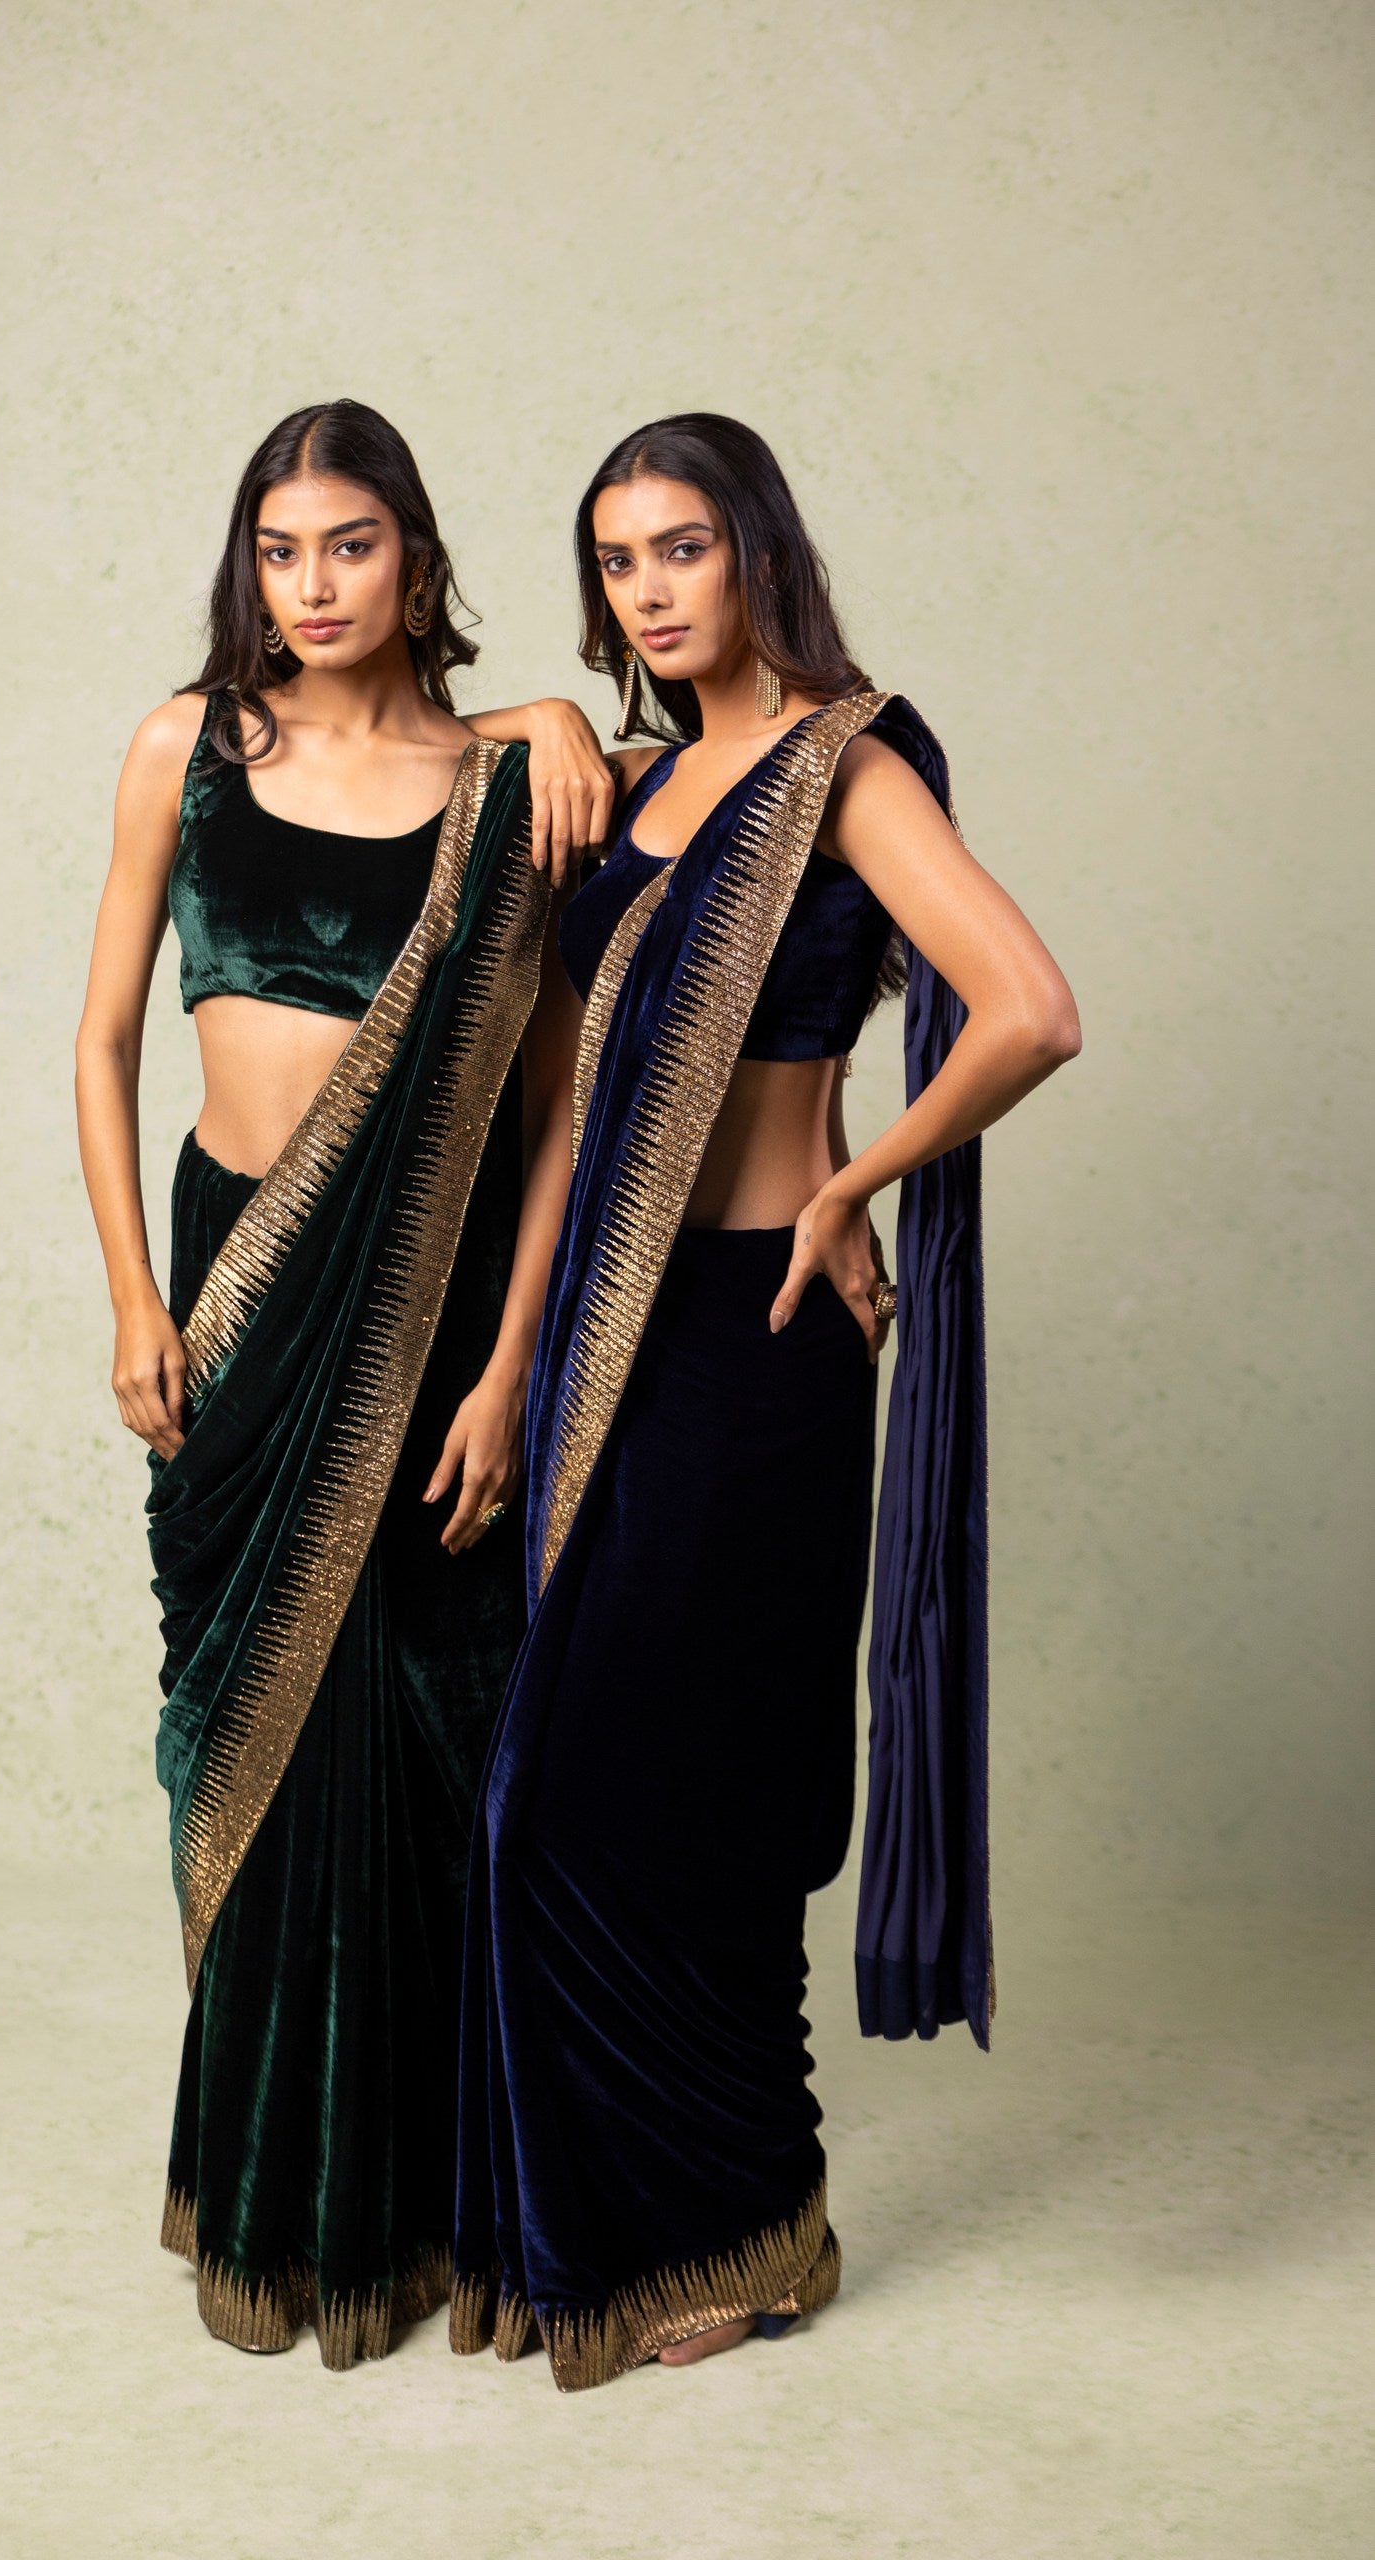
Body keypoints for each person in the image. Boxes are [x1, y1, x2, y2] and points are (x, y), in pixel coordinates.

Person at [452, 412, 1081, 2391]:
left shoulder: (847, 764)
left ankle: (753, 2223)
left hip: (757, 1332)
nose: (647, 589)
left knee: (704, 1792)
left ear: (754, 554)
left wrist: (853, 1179)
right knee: (558, 1798)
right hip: (598, 1345)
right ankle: (634, 2216)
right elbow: (570, 1116)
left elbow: (1029, 1008)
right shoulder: (634, 785)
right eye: (614, 559)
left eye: (681, 547)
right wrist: (505, 1363)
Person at [74, 399, 609, 2367]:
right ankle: (277, 2194)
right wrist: (134, 1296)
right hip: (232, 1295)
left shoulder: (509, 787)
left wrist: (509, 1365)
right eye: (280, 549)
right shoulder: (185, 749)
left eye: (352, 544)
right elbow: (102, 1035)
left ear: (417, 558)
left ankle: (438, 2207)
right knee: (251, 1739)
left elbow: (557, 1107)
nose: (312, 585)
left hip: (434, 1307)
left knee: (433, 1735)